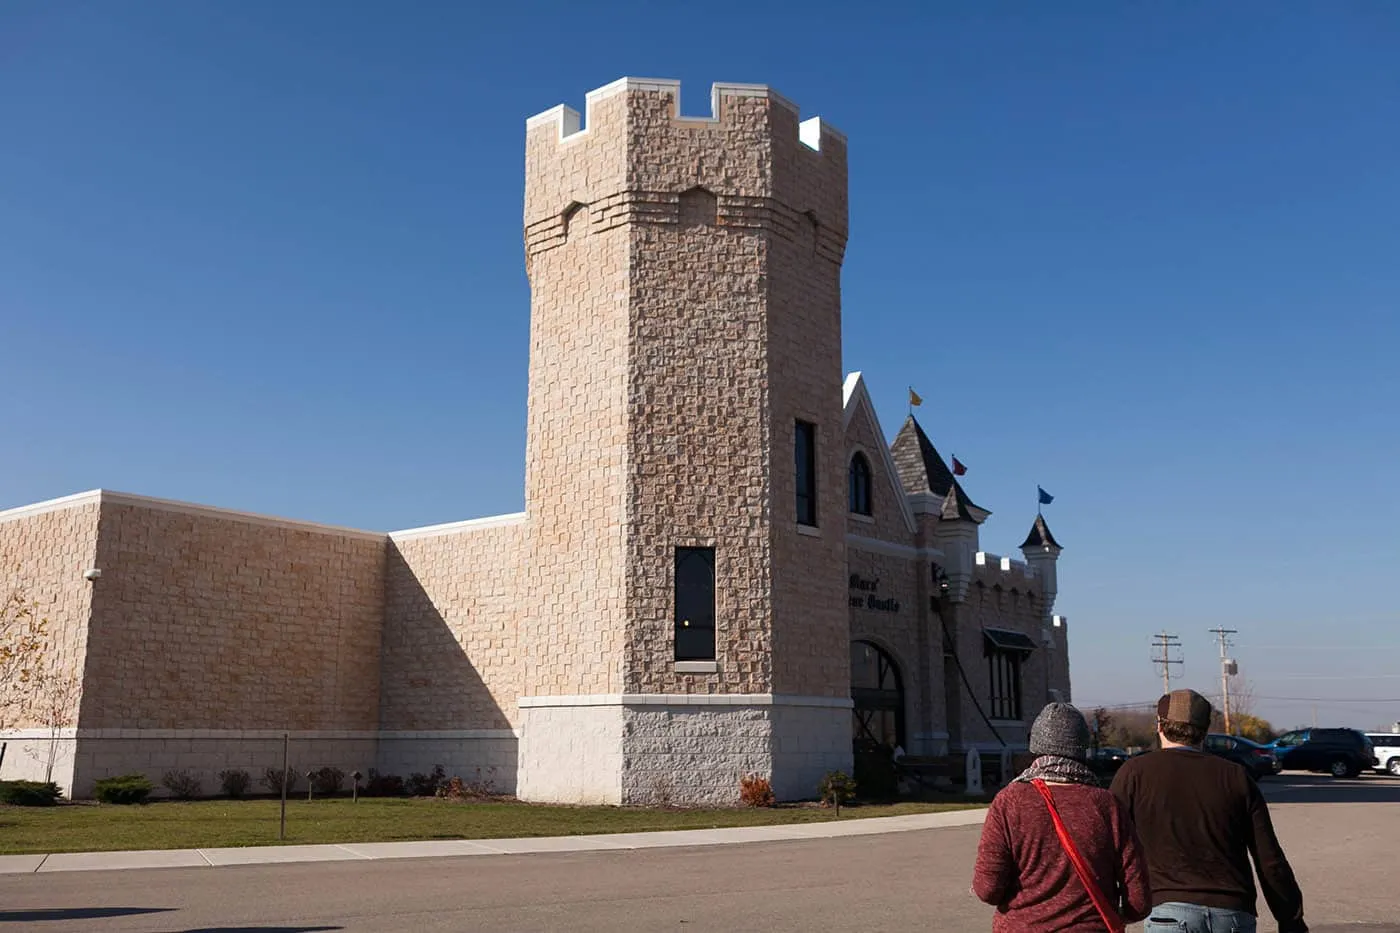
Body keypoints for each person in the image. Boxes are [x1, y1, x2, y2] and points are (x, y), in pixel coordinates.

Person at [1110, 689, 1308, 933]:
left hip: (1168, 912)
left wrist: (1112, 907)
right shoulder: (1235, 776)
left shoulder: (1134, 773)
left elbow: (1110, 845)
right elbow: (1269, 859)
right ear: (1205, 730)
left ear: (1160, 725)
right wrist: (1291, 919)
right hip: (1233, 913)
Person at [973, 702, 1151, 931]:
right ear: (1082, 748)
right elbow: (1138, 900)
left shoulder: (1009, 801)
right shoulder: (1107, 805)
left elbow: (987, 889)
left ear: (1035, 745)